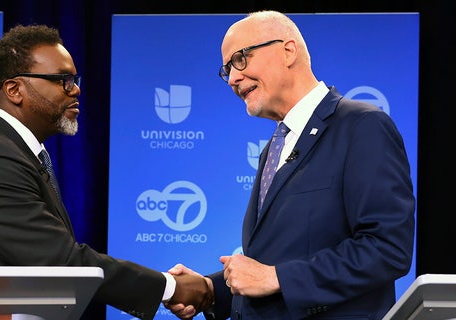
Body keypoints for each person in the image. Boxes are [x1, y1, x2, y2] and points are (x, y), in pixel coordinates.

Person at [0, 24, 213, 319]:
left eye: (74, 79)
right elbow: (60, 262)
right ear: (14, 90)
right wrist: (170, 287)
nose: (76, 89)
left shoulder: (10, 149)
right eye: (62, 80)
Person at [166, 10, 415, 320]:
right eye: (227, 69)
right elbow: (273, 264)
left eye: (241, 59)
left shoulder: (362, 126)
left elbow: (386, 249)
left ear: (288, 51)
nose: (232, 78)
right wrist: (210, 289)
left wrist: (277, 278)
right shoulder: (274, 147)